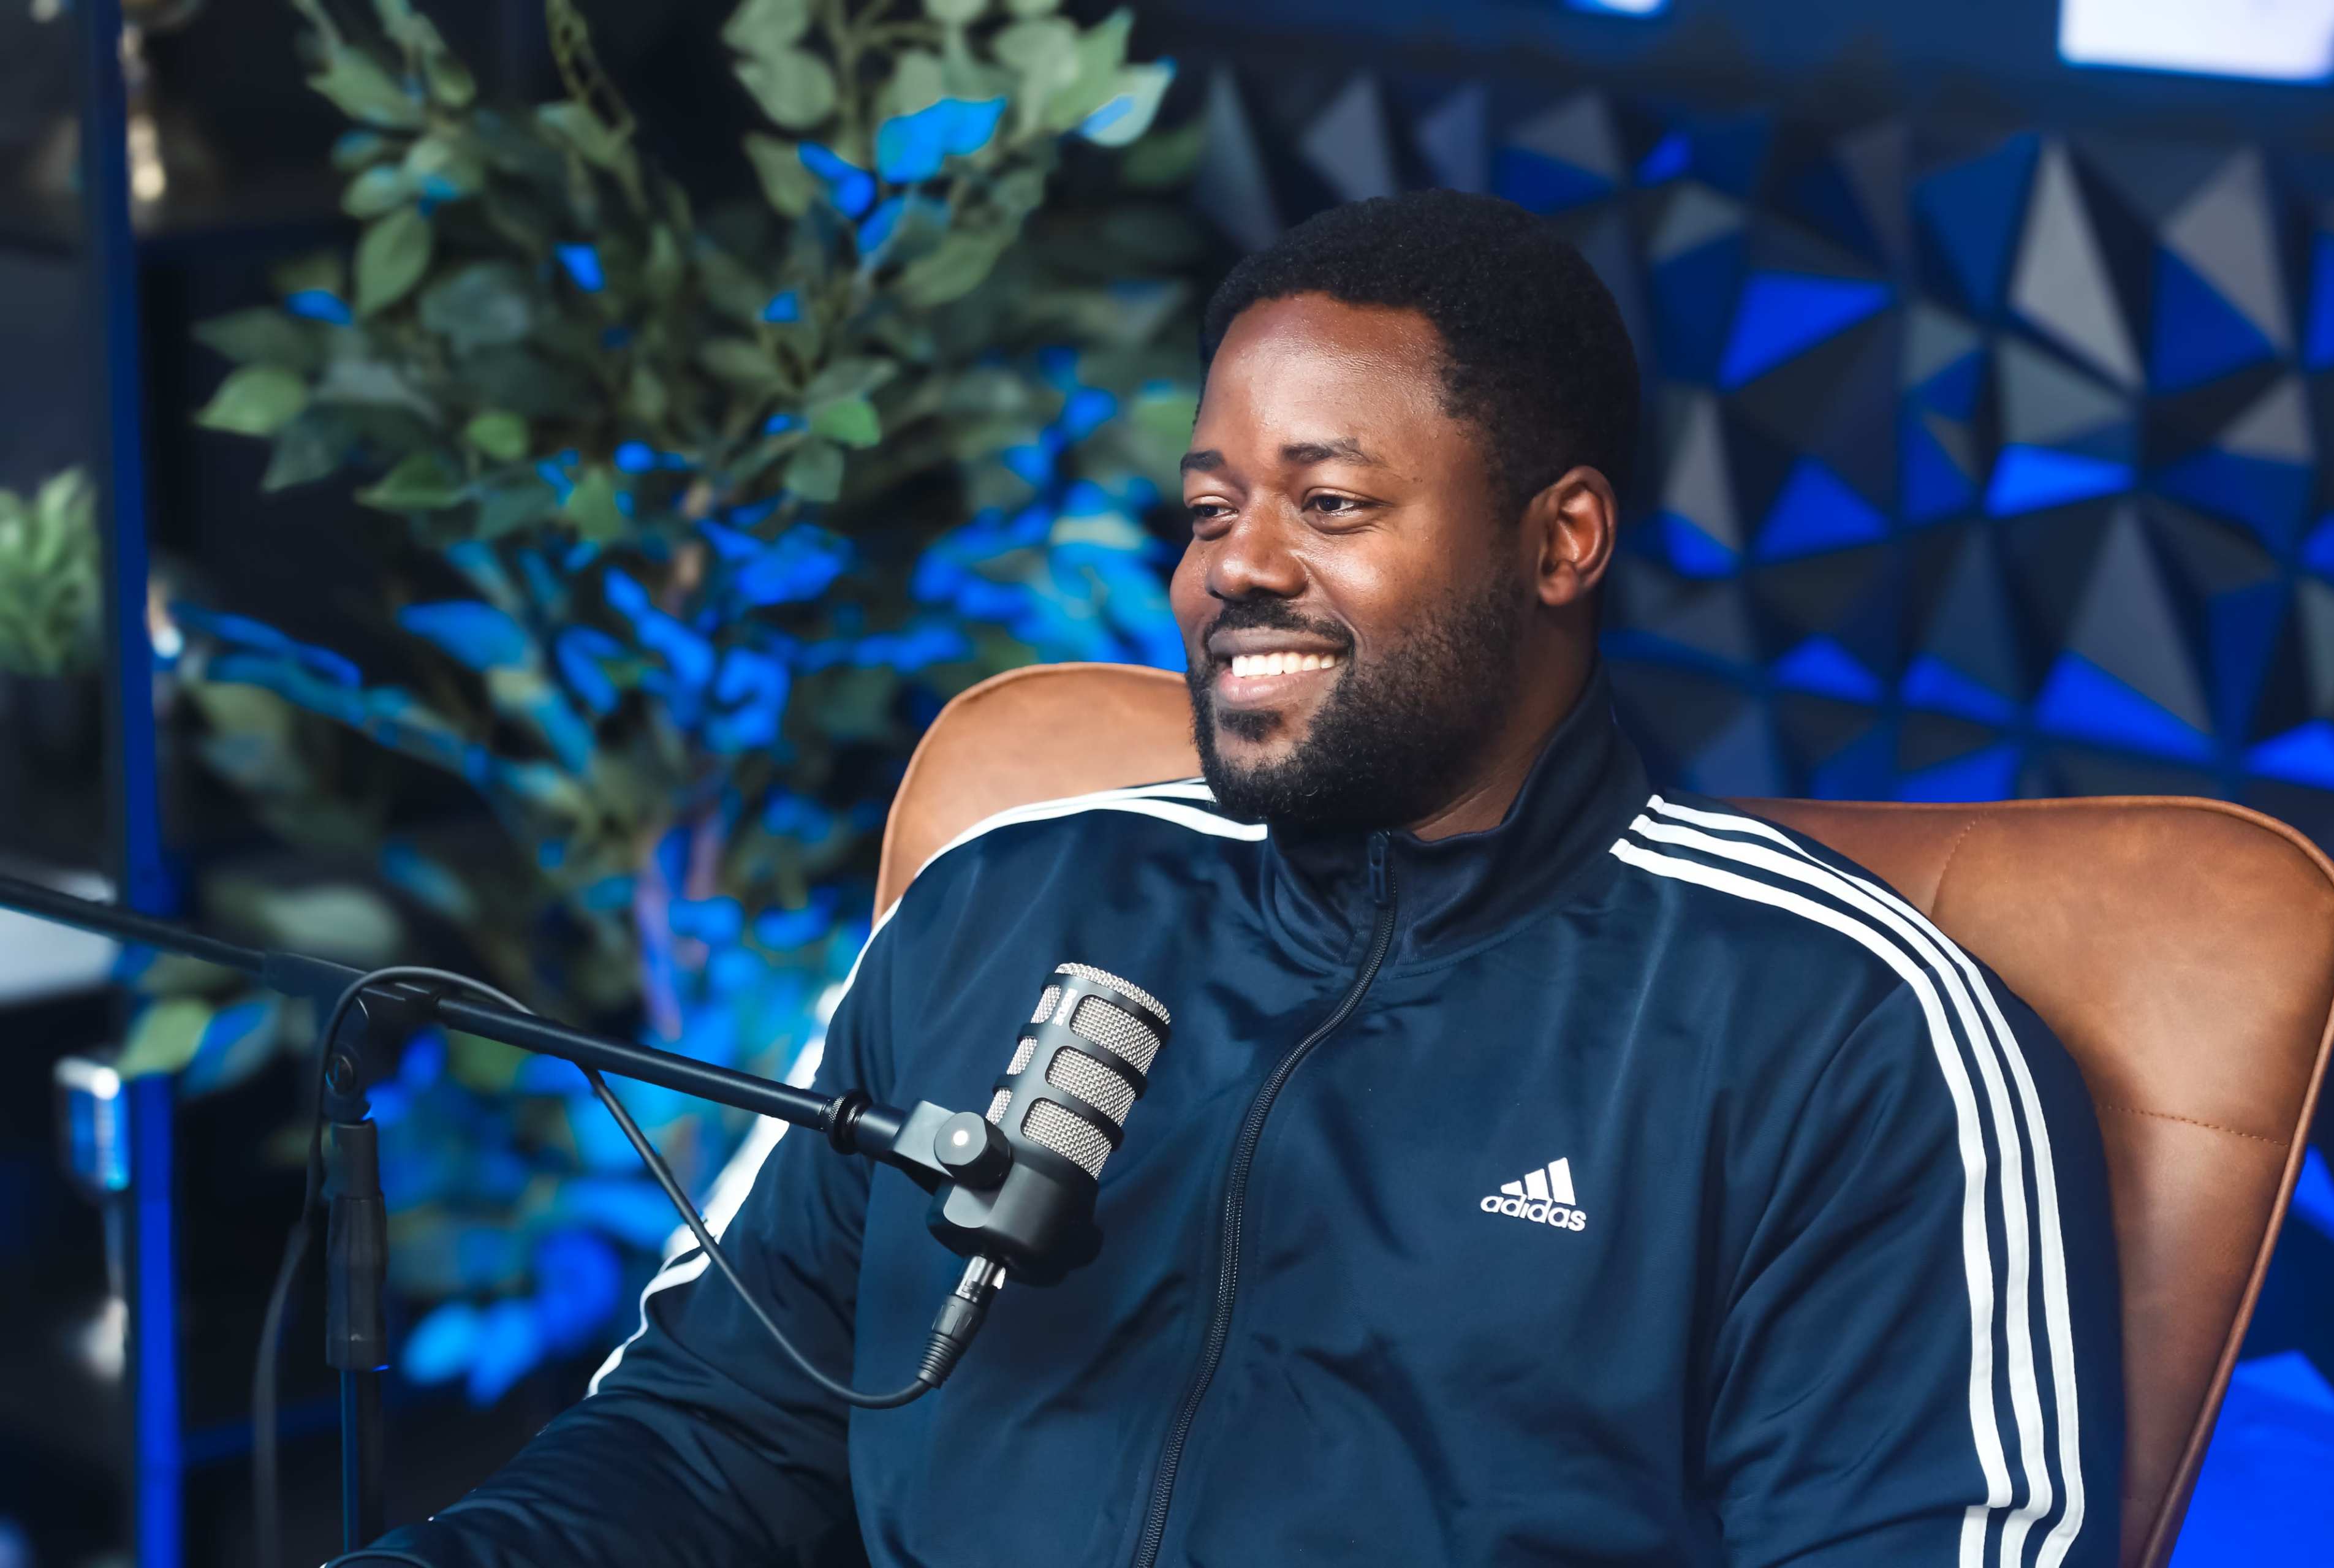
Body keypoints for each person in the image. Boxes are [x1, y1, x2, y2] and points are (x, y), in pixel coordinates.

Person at [356, 190, 2121, 1567]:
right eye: (1208, 513)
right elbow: (704, 1434)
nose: (1235, 572)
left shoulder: (1843, 1041)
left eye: (1329, 505)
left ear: (1561, 539)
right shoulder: (1002, 906)